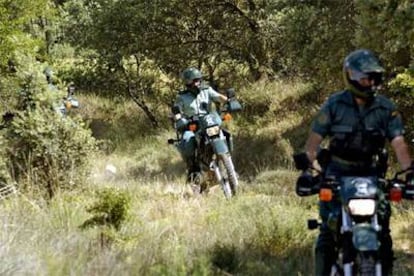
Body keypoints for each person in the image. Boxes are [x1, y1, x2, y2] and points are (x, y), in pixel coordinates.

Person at [304, 49, 413, 275]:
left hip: (371, 174)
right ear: (350, 76)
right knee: (327, 231)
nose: (369, 82)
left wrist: (410, 171)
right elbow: (313, 144)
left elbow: (399, 143)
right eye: (364, 77)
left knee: (383, 230)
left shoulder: (386, 109)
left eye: (372, 77)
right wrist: (310, 169)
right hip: (337, 173)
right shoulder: (333, 105)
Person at [172, 67, 228, 182]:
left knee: (226, 134)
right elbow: (177, 110)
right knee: (187, 141)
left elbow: (218, 97)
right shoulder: (181, 96)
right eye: (194, 80)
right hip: (192, 124)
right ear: (188, 82)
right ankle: (192, 168)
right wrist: (178, 119)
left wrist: (229, 100)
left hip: (208, 120)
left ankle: (227, 161)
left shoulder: (207, 90)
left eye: (198, 80)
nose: (197, 82)